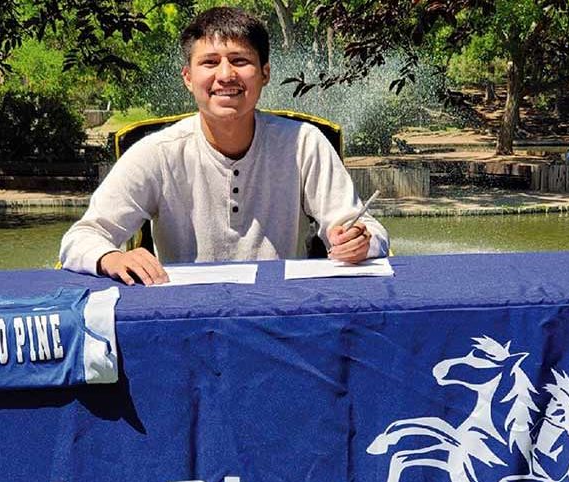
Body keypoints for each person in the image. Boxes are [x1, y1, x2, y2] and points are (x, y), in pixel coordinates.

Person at [59, 6, 390, 285]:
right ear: (188, 77)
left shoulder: (304, 144)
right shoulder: (157, 153)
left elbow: (369, 231)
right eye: (209, 62)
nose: (226, 75)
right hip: (184, 319)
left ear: (265, 73)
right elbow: (80, 239)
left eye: (240, 60)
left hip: (284, 313)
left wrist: (360, 241)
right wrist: (111, 257)